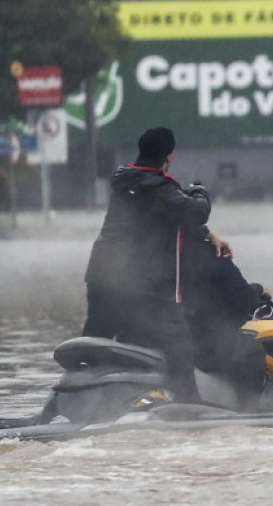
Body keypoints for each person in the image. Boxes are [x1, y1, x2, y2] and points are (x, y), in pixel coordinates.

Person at [82, 127, 217, 403]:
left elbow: (155, 221)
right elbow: (195, 212)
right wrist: (200, 191)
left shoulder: (127, 181)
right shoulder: (155, 185)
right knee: (178, 340)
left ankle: (83, 400)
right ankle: (189, 405)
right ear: (169, 157)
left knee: (96, 345)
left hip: (103, 275)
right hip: (143, 282)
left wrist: (208, 235)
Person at [179, 229, 267, 411]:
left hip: (151, 334)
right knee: (250, 351)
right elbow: (242, 299)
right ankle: (249, 412)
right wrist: (257, 290)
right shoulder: (209, 252)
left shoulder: (147, 249)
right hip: (198, 346)